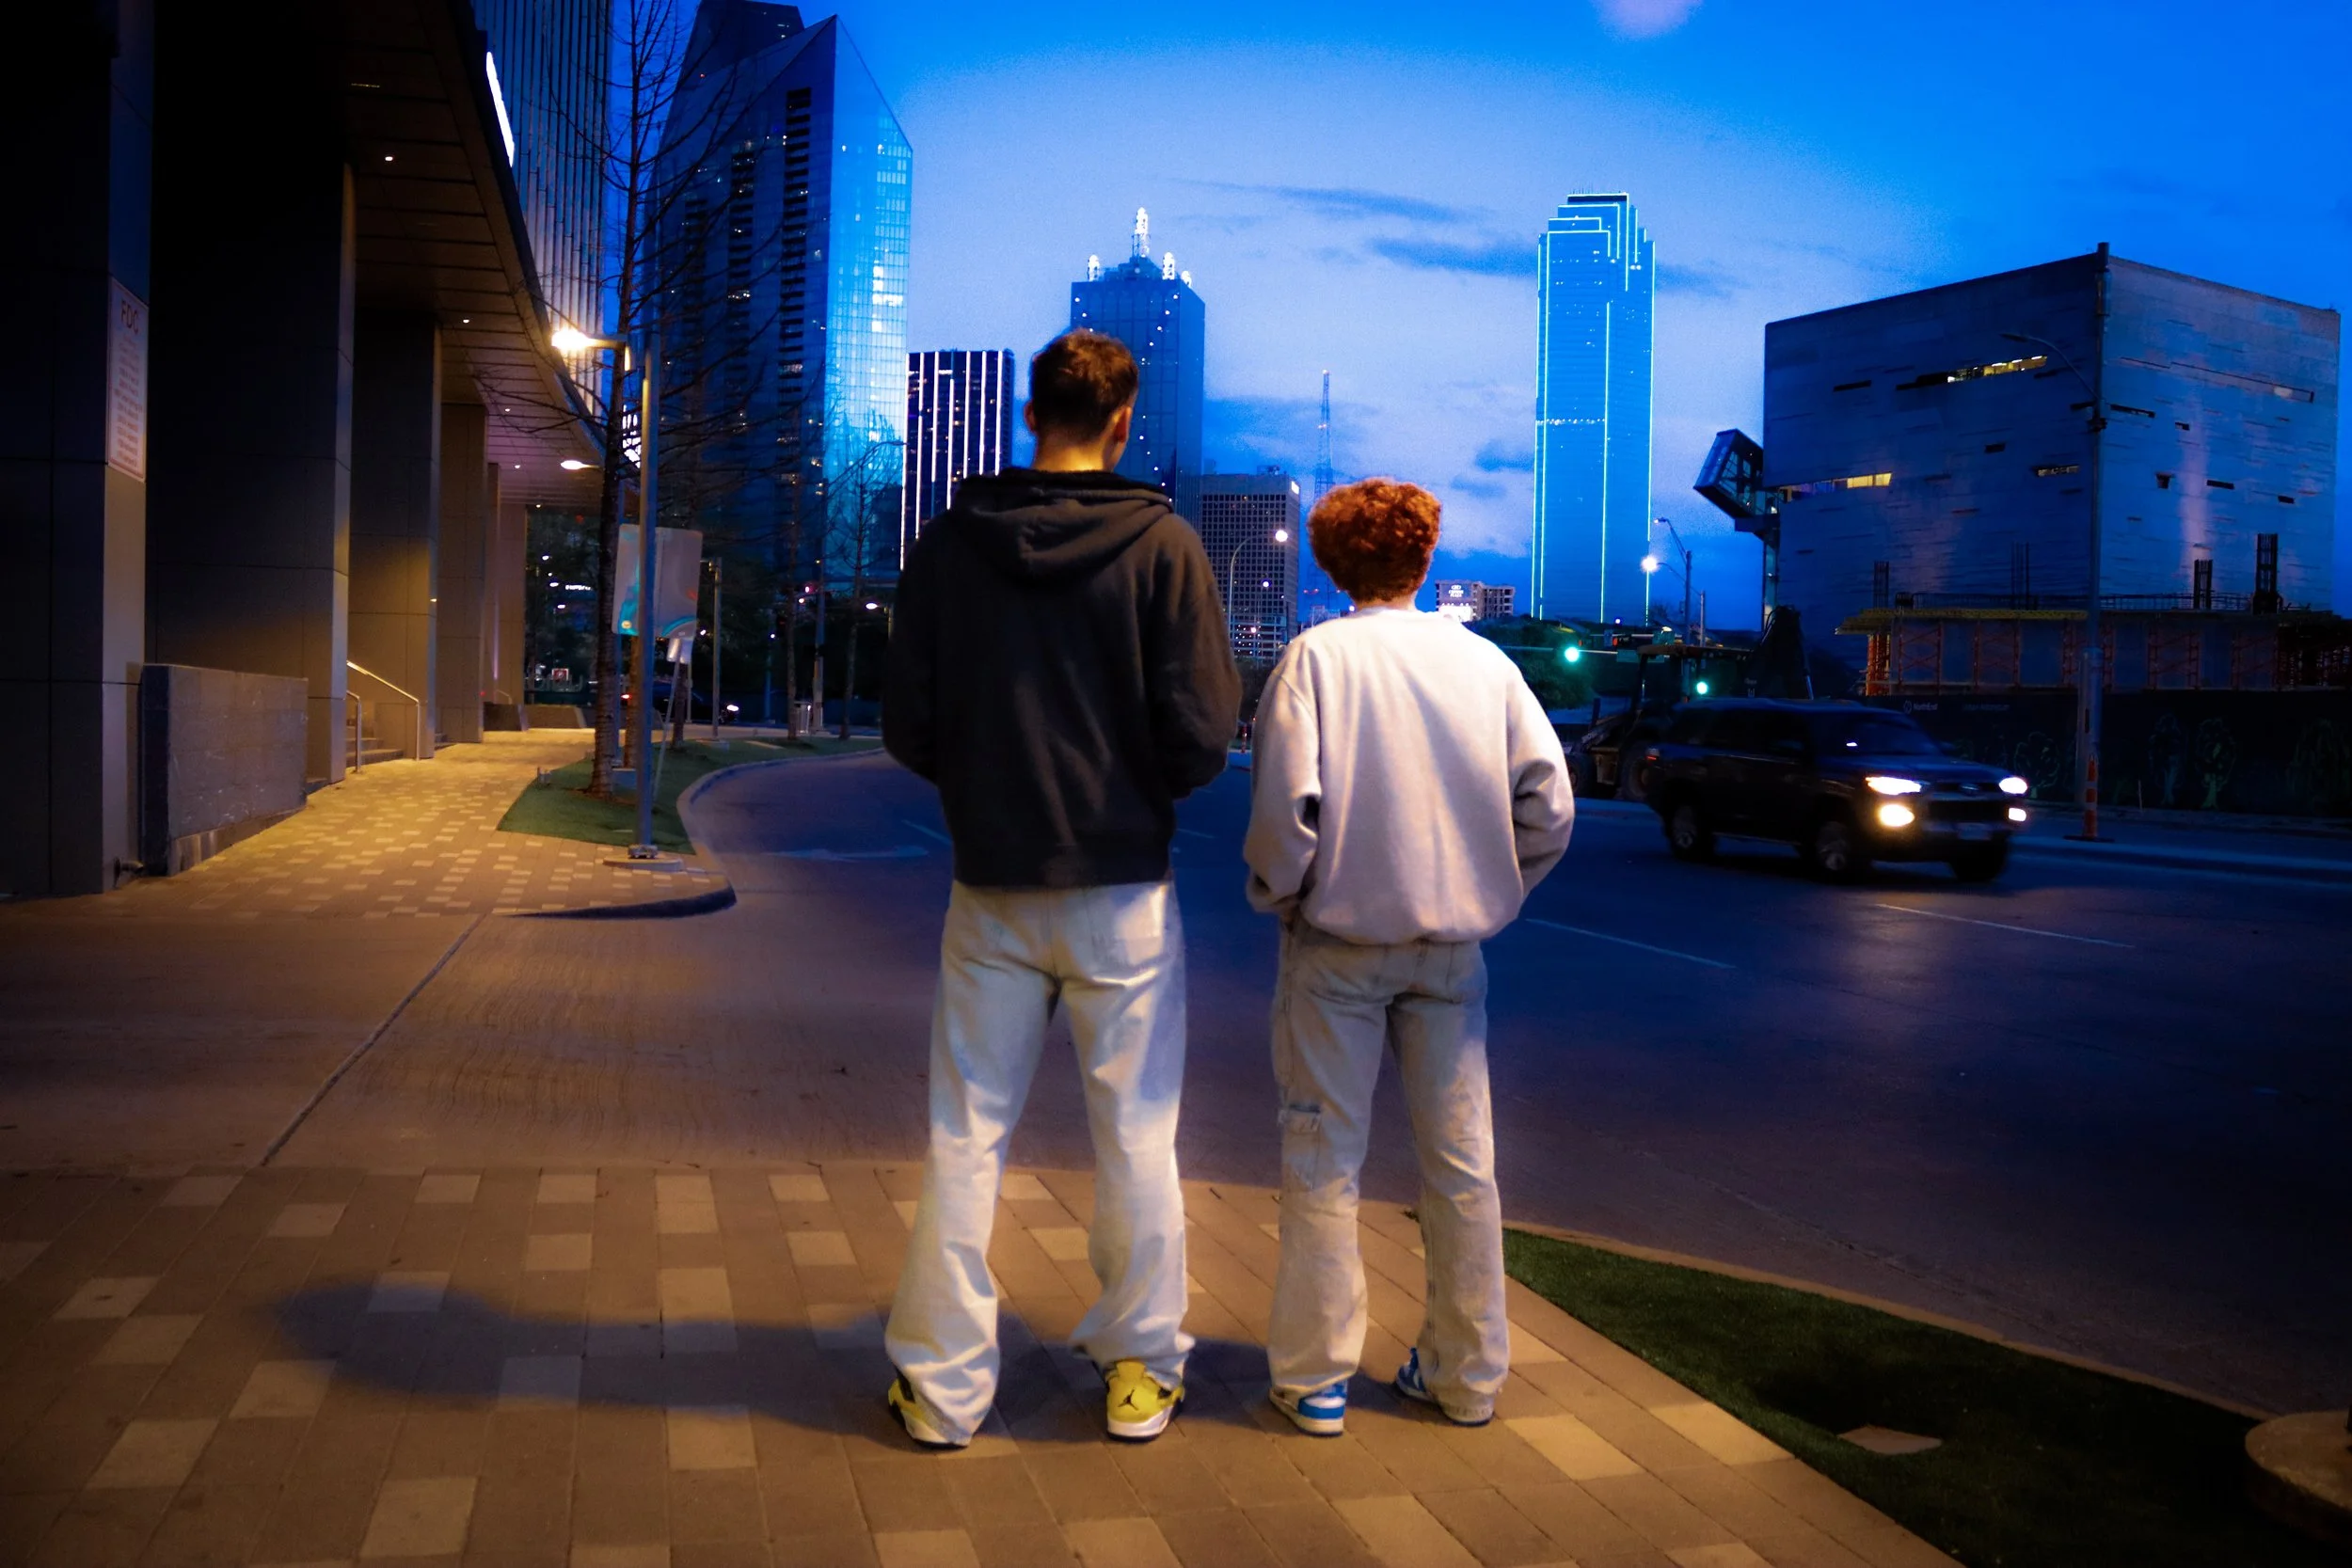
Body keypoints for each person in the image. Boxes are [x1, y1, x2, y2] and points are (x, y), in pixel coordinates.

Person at [880, 330, 1242, 1448]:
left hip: (992, 883)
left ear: (1029, 413)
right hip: (1123, 887)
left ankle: (943, 1389)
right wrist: (1128, 786)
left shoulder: (951, 545)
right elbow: (1204, 731)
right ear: (1122, 424)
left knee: (964, 1135)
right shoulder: (1165, 546)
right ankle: (1140, 1369)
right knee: (1136, 1135)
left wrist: (988, 785)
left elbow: (908, 722)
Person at [1242, 478, 1574, 1436]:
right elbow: (1549, 805)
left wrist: (1288, 895)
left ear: (1334, 561)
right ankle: (1466, 1374)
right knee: (1463, 1167)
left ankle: (1315, 1377)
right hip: (1451, 954)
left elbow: (1286, 812)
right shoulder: (1484, 666)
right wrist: (1494, 886)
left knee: (1323, 1160)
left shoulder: (1315, 660)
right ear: (1425, 558)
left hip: (1338, 948)